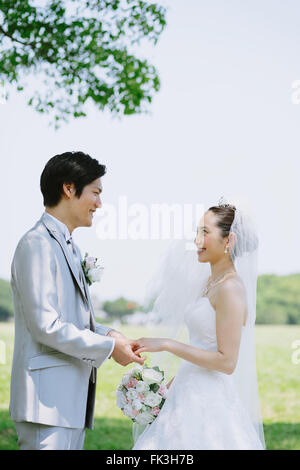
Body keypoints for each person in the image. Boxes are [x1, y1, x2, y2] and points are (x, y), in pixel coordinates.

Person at [9, 151, 144, 450]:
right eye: (95, 193)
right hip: (44, 406)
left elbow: (73, 320)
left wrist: (110, 334)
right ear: (69, 189)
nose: (99, 203)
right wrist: (110, 348)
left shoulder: (69, 246)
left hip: (68, 404)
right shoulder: (37, 244)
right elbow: (46, 325)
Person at [132, 202, 265, 450]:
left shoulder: (230, 288)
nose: (197, 241)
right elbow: (200, 345)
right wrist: (161, 390)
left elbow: (226, 362)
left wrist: (168, 344)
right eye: (197, 232)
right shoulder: (209, 282)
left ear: (230, 240)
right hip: (185, 392)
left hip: (209, 402)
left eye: (205, 232)